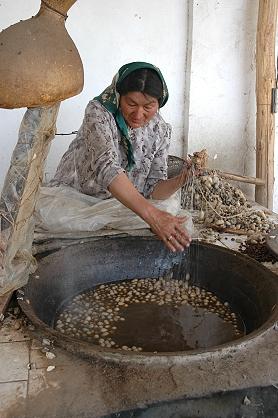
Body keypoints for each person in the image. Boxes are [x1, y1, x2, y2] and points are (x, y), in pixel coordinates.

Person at [50, 61, 192, 252]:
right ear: (119, 96)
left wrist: (181, 180)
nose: (138, 114)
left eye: (148, 106)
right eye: (131, 104)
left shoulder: (160, 130)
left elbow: (152, 189)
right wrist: (153, 216)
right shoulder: (99, 113)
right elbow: (107, 167)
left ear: (160, 102)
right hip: (78, 198)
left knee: (168, 214)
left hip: (124, 204)